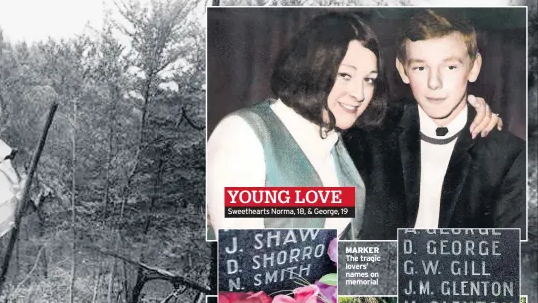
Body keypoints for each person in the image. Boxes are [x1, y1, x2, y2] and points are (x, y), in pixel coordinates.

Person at [207, 12, 500, 236]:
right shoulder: (244, 135)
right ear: (312, 66)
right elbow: (243, 269)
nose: (359, 94)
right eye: (345, 75)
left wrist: (469, 110)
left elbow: (421, 113)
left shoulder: (343, 139)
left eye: (369, 79)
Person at [343, 9, 525, 239]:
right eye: (420, 68)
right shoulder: (369, 133)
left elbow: (511, 259)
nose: (434, 83)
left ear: (474, 67)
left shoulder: (510, 156)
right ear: (403, 71)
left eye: (450, 67)